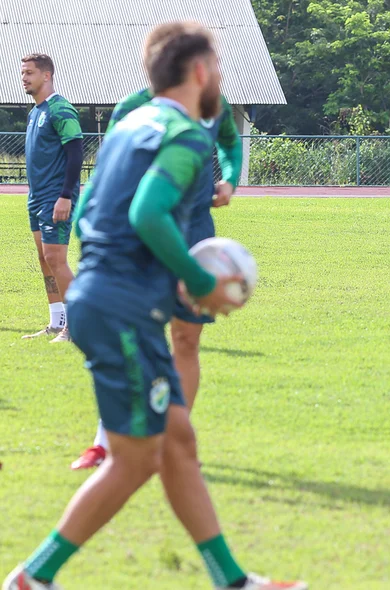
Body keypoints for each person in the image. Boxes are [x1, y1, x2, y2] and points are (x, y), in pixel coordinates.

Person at [3, 21, 306, 590]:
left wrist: (136, 276)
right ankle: (32, 578)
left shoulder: (131, 123)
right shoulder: (187, 135)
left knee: (177, 443)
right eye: (215, 66)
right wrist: (197, 278)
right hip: (120, 309)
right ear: (199, 72)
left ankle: (233, 581)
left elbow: (94, 209)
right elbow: (145, 214)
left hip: (107, 297)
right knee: (137, 459)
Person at [71, 87, 242, 470]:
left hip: (195, 234)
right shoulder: (132, 107)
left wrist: (229, 179)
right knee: (125, 339)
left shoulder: (216, 107)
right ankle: (104, 442)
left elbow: (230, 143)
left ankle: (173, 442)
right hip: (139, 239)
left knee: (185, 339)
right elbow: (107, 175)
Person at [20, 53, 84, 342]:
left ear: (47, 75)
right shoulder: (35, 112)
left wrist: (65, 196)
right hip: (36, 198)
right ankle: (56, 322)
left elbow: (76, 153)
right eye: (23, 73)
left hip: (55, 197)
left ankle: (75, 327)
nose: (24, 78)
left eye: (30, 73)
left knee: (56, 259)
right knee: (44, 259)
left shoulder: (61, 109)